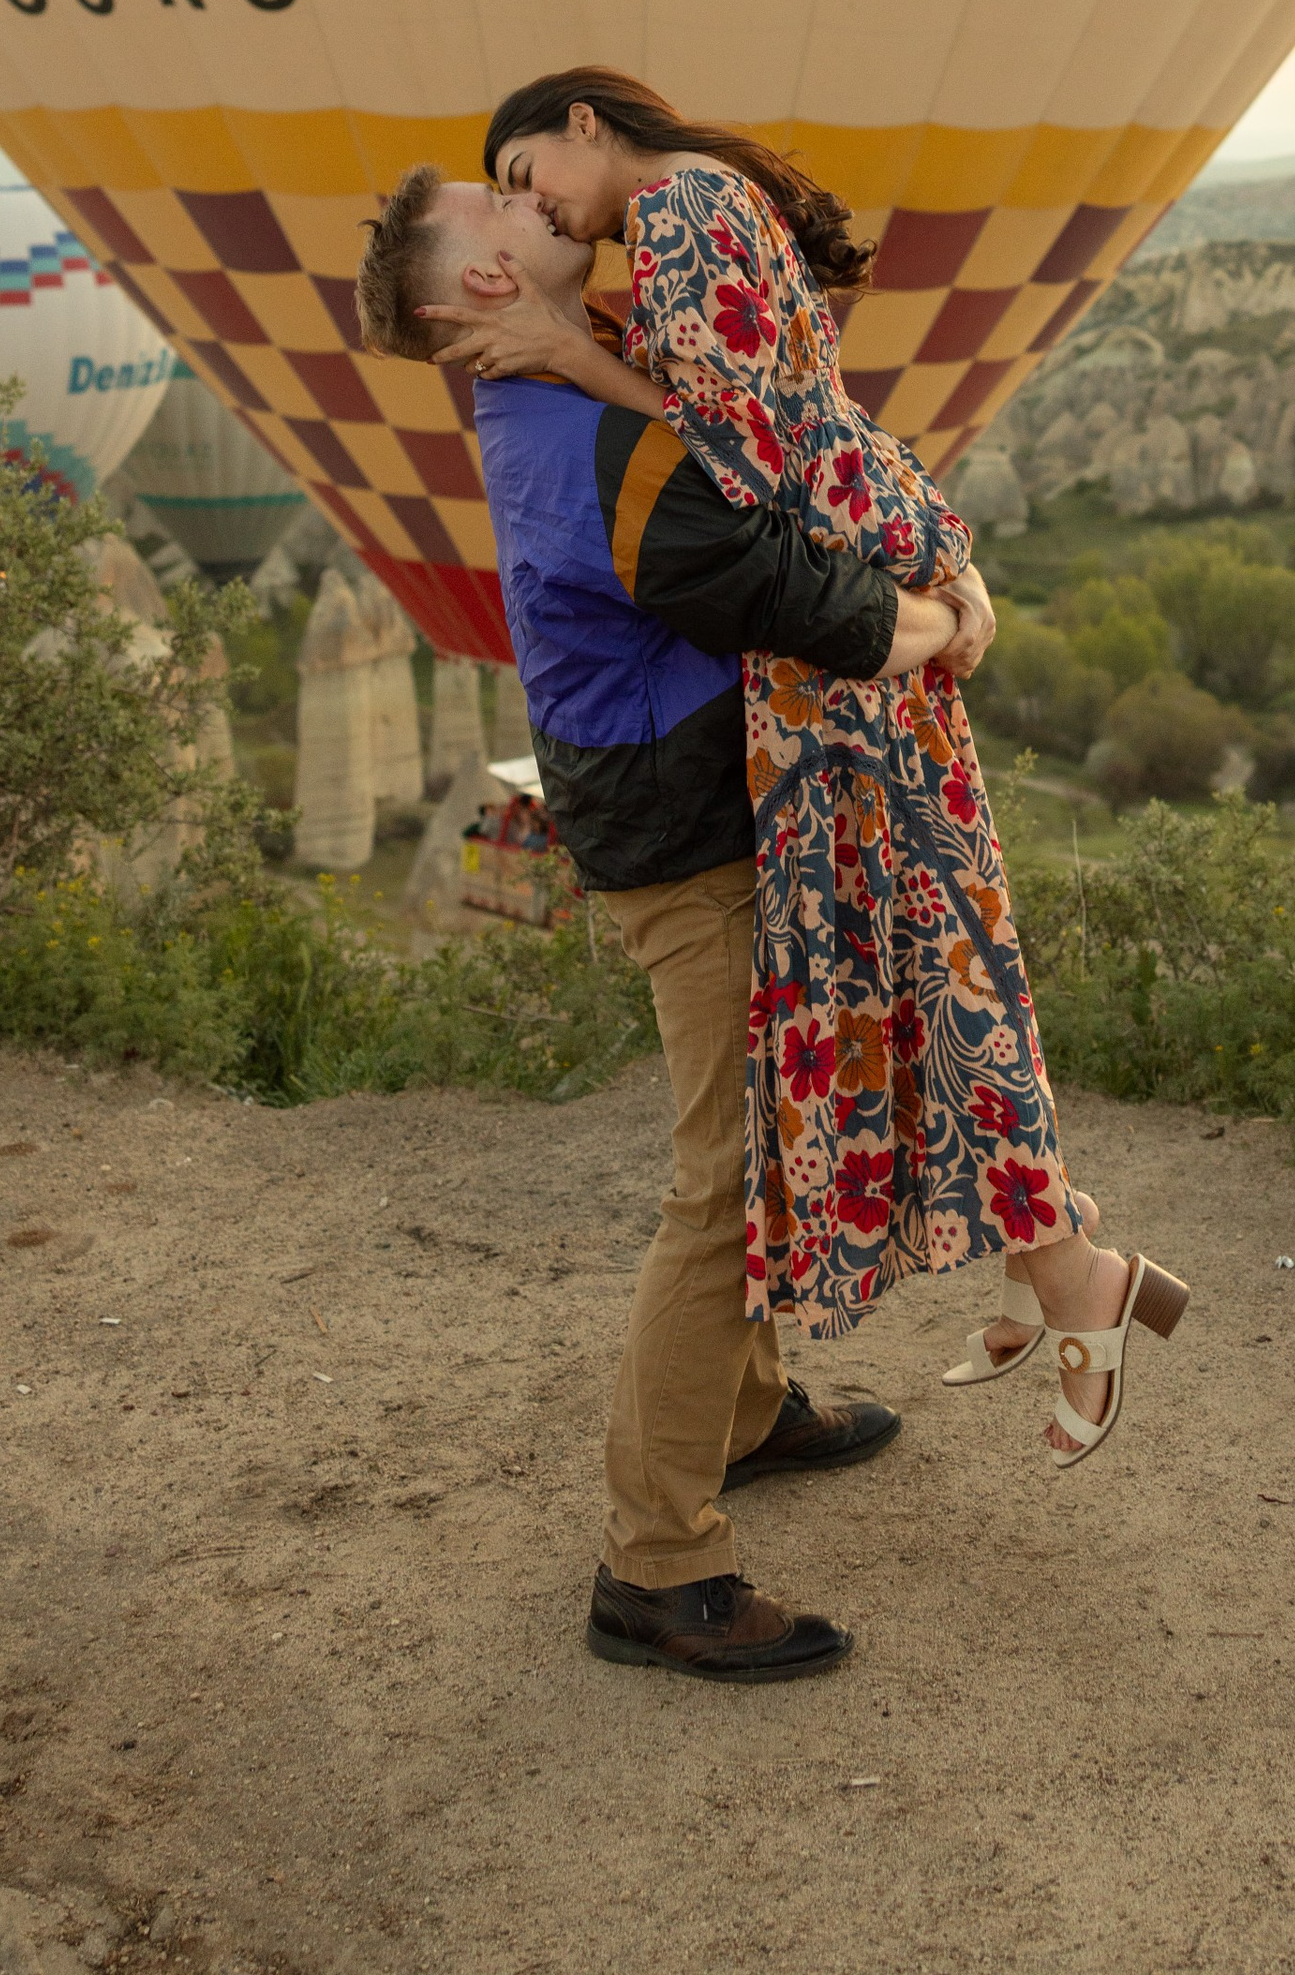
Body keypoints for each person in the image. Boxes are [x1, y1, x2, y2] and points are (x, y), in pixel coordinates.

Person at [429, 69, 1189, 1467]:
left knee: (938, 954)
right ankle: (1044, 1265)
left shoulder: (675, 220)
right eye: (511, 202)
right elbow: (774, 418)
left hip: (836, 610)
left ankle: (1081, 1274)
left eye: (531, 170)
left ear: (587, 121)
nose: (536, 205)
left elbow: (733, 462)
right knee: (926, 951)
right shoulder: (706, 205)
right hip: (855, 564)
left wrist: (567, 353)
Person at [359, 179, 969, 1681]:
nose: (538, 190)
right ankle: (655, 1559)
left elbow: (756, 424)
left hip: (690, 807)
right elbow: (771, 564)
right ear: (482, 282)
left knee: (757, 1133)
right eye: (496, 202)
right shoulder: (579, 457)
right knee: (725, 1177)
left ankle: (748, 1409)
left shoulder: (591, 373)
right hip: (681, 842)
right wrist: (941, 624)